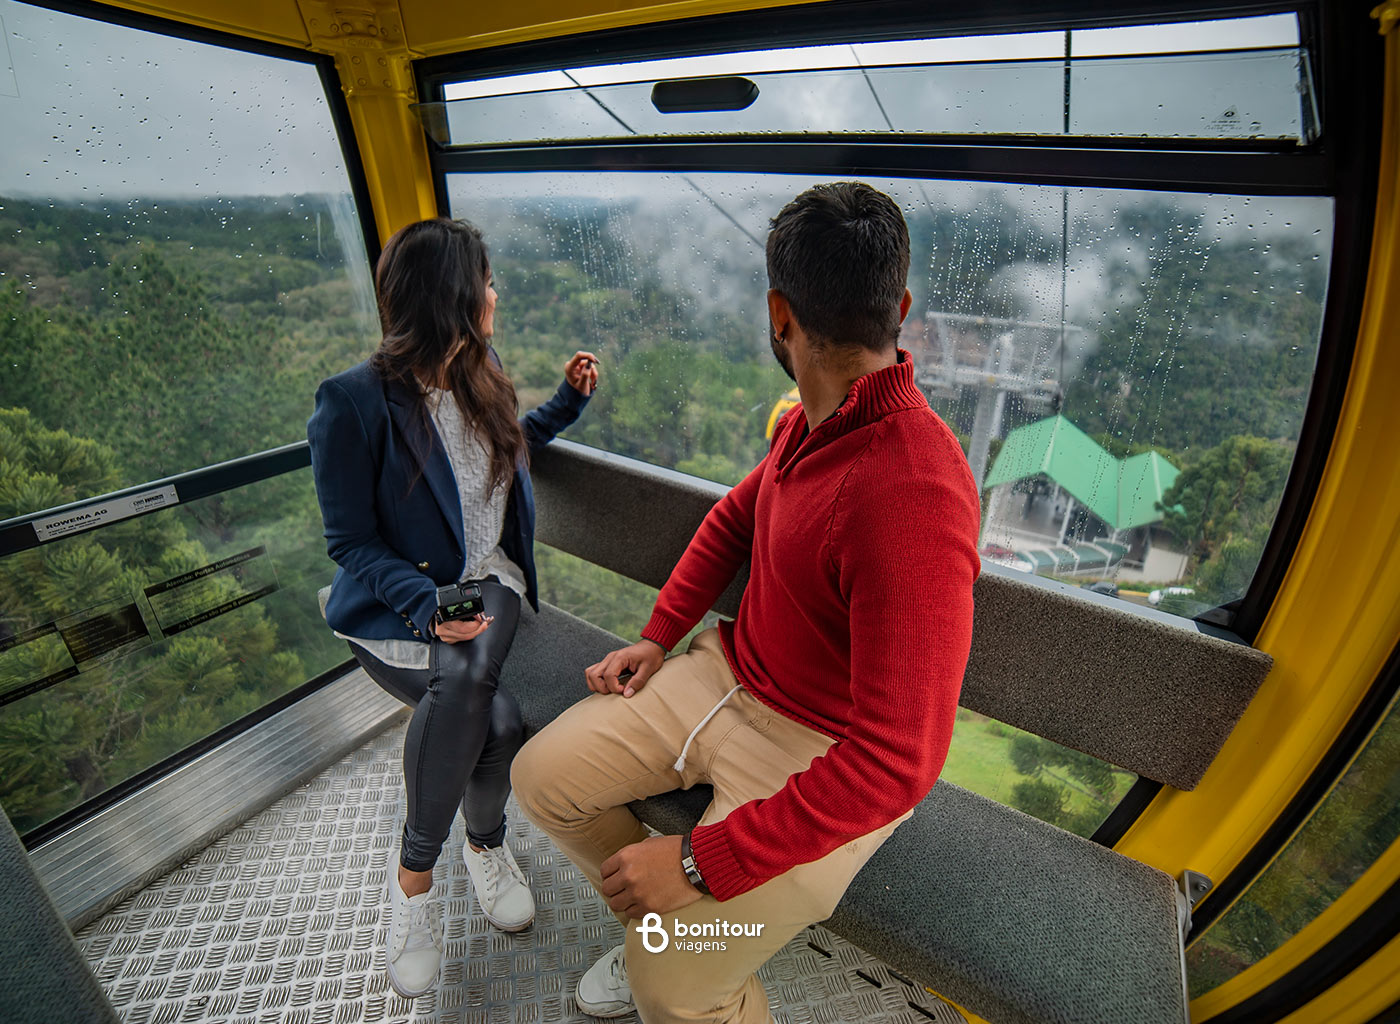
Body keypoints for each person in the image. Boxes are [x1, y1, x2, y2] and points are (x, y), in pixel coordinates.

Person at [511, 181, 981, 1024]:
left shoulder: (917, 489)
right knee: (541, 779)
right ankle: (655, 929)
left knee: (671, 988)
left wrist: (696, 864)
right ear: (899, 306)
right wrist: (659, 636)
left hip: (823, 754)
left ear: (778, 314)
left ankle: (670, 952)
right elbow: (737, 515)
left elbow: (900, 761)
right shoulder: (813, 423)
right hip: (725, 677)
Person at [306, 217, 598, 999]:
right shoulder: (353, 404)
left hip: (486, 581)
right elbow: (351, 543)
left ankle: (480, 847)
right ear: (456, 297)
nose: (496, 294)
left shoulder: (480, 370)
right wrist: (428, 603)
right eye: (487, 280)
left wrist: (566, 405)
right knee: (487, 714)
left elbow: (509, 446)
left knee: (491, 715)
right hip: (403, 606)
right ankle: (417, 884)